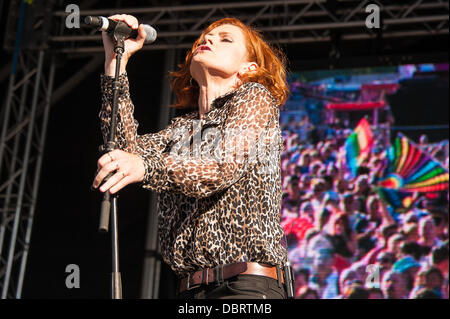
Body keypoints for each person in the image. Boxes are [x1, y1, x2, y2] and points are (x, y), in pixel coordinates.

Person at [92, 16, 290, 299]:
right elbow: (125, 151)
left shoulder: (254, 97)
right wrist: (116, 64)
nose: (207, 39)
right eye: (205, 36)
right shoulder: (181, 130)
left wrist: (145, 166)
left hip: (244, 287)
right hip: (190, 289)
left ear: (249, 68)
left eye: (225, 39)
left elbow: (221, 167)